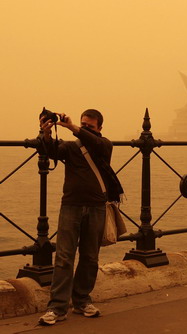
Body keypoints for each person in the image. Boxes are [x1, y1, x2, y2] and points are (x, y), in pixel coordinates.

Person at [38, 109, 114, 325]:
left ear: (99, 128)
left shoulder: (104, 145)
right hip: (71, 205)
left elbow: (96, 144)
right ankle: (57, 308)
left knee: (90, 256)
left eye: (90, 126)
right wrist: (46, 133)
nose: (85, 129)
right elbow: (52, 151)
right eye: (83, 124)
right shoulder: (72, 148)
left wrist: (73, 127)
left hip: (97, 206)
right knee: (64, 257)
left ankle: (82, 301)